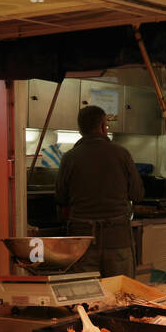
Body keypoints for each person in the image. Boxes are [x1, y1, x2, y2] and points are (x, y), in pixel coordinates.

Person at [55, 105, 141, 276]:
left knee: (86, 296)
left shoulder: (69, 158)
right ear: (103, 126)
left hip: (82, 240)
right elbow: (137, 193)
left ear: (80, 129)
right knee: (121, 293)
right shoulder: (122, 154)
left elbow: (60, 197)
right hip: (117, 237)